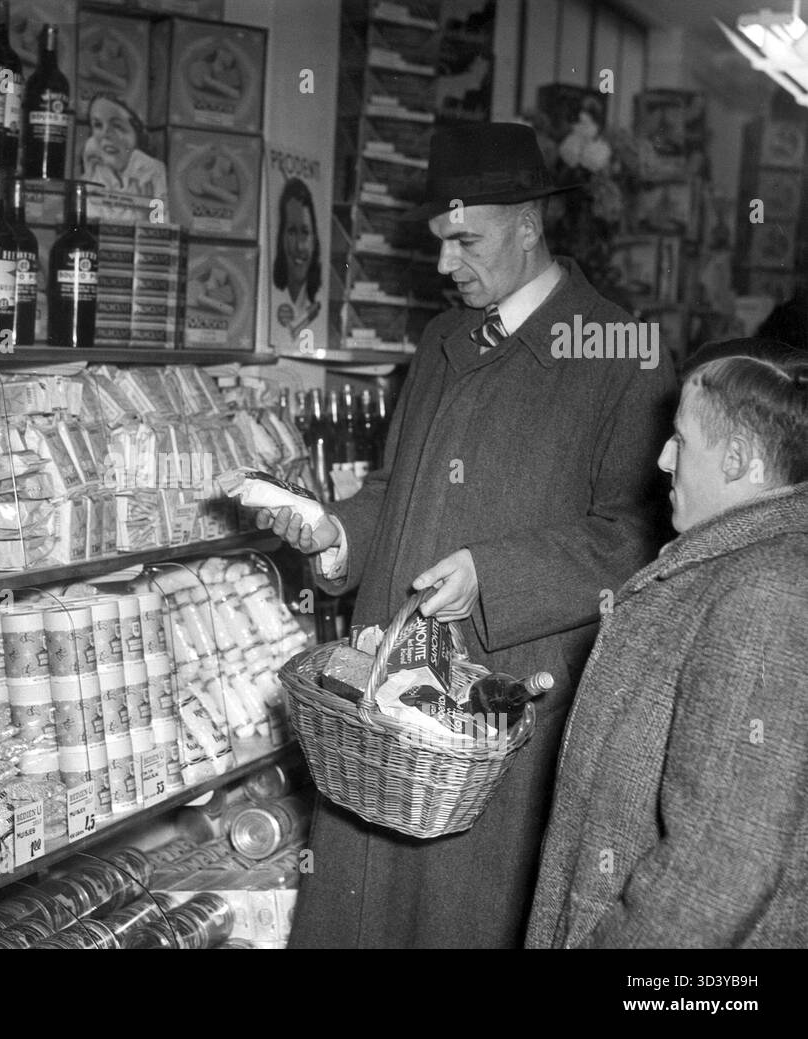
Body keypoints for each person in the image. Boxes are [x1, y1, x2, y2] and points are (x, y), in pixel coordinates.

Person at [265, 121, 676, 949]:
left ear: (530, 222)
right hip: (378, 714)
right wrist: (336, 537)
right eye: (439, 243)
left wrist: (494, 574)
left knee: (454, 918)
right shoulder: (442, 339)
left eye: (465, 240)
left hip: (495, 716)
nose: (447, 264)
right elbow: (393, 486)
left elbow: (635, 536)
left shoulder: (619, 348)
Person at [527, 348, 808, 948]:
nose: (662, 459)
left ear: (735, 460)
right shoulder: (728, 566)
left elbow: (720, 867)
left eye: (680, 441)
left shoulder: (766, 591)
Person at [80, 95, 168, 207]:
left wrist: (155, 186)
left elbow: (159, 221)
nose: (105, 133)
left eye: (117, 126)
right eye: (98, 125)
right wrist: (88, 177)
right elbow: (80, 220)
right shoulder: (93, 171)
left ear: (136, 133)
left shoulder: (153, 171)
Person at [271, 178, 322, 343]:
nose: (300, 246)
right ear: (281, 238)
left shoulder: (315, 303)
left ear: (314, 240)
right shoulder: (273, 296)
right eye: (292, 232)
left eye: (305, 232)